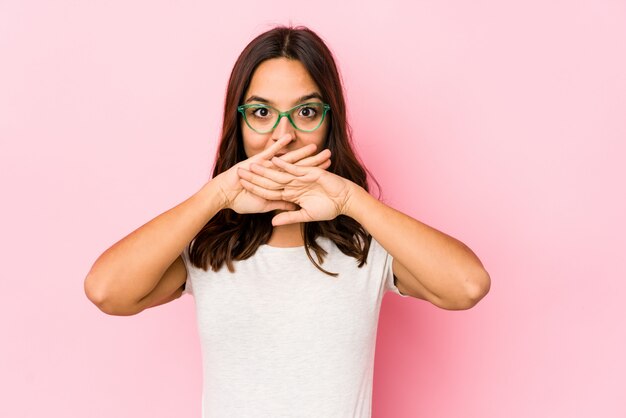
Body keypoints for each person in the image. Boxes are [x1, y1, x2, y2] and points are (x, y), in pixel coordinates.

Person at [84, 25, 490, 417]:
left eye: (306, 111)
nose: (284, 135)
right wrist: (216, 196)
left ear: (330, 121)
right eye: (262, 112)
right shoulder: (206, 247)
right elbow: (106, 291)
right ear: (239, 122)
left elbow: (467, 286)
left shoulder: (366, 244)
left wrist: (352, 201)